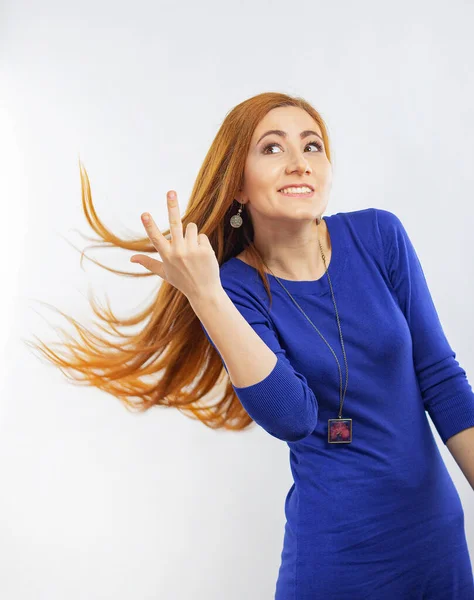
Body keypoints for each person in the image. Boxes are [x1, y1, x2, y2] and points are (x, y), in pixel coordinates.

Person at [27, 92, 474, 598]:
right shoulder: (234, 287)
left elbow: (441, 380)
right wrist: (205, 295)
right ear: (237, 184)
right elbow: (293, 417)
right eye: (272, 149)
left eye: (312, 146)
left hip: (438, 544)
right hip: (339, 560)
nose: (298, 163)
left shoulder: (379, 235)